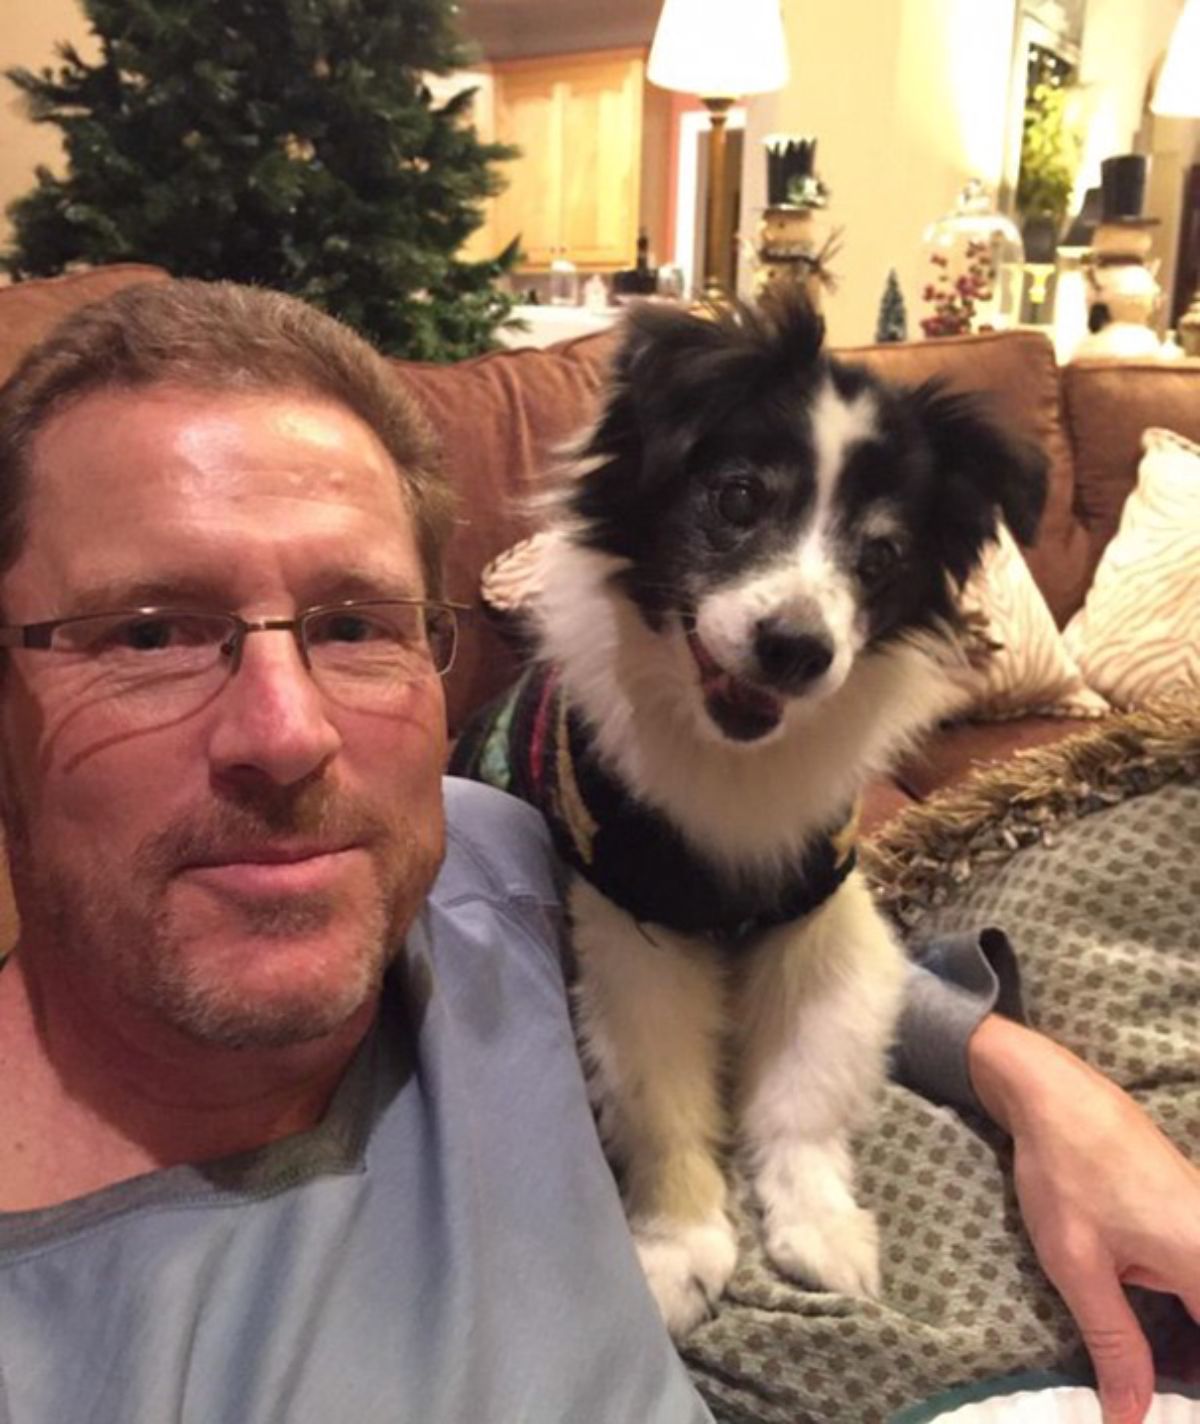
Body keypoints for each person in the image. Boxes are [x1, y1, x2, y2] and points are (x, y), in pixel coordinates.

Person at [0, 280, 1193, 1424]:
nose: (286, 730)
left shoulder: (484, 839)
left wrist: (1040, 1083)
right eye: (148, 630)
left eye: (355, 624)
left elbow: (773, 920)